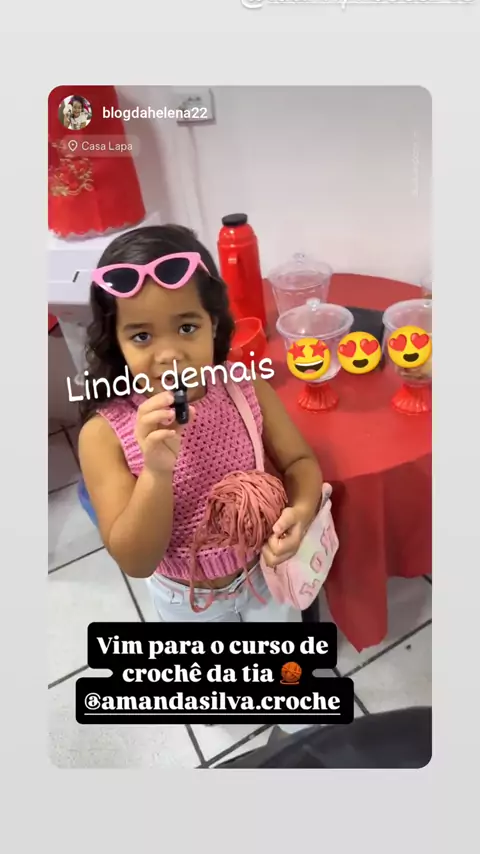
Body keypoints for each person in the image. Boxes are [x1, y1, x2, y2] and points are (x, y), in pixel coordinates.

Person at [78, 225, 324, 623]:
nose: (168, 354)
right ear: (116, 342)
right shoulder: (103, 435)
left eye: (187, 328)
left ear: (214, 324)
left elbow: (300, 462)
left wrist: (301, 511)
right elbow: (137, 561)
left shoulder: (245, 387)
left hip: (265, 575)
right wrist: (156, 472)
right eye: (141, 336)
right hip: (186, 602)